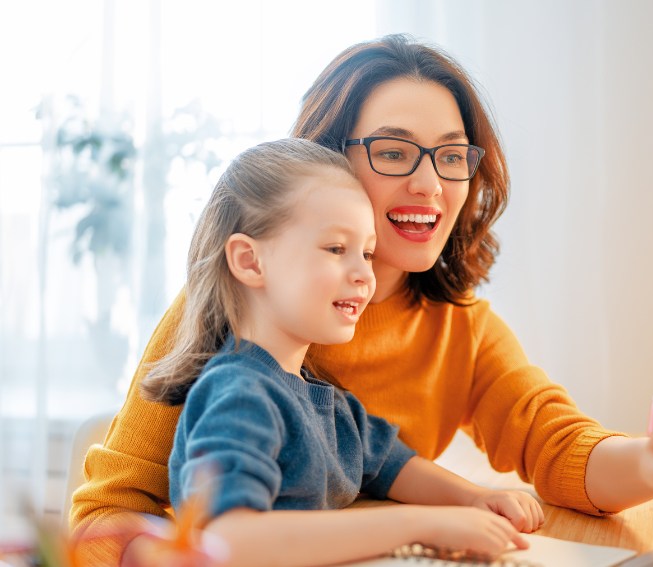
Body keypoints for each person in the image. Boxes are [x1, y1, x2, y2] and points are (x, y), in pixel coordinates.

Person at [71, 34, 653, 566]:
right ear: (329, 162)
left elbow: (561, 447)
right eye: (395, 152)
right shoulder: (232, 310)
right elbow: (104, 518)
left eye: (453, 156)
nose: (431, 184)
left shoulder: (462, 329)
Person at [136, 137, 543, 566]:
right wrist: (423, 525)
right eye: (336, 249)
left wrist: (476, 498)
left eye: (367, 253)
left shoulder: (324, 401)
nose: (365, 275)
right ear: (250, 261)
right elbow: (228, 540)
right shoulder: (238, 395)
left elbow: (389, 463)